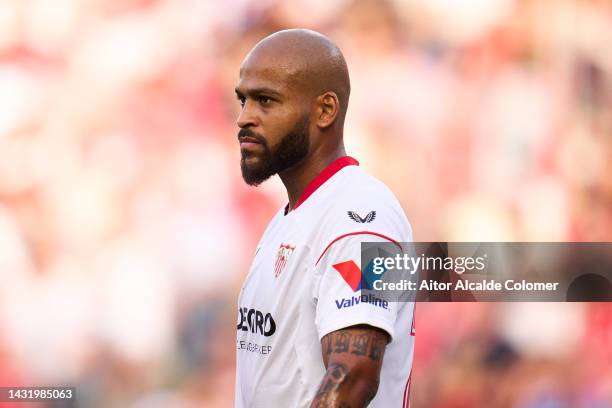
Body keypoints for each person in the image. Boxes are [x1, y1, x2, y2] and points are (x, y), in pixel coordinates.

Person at [234, 28, 415, 407]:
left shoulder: (363, 218)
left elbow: (354, 376)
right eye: (243, 100)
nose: (244, 118)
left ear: (325, 110)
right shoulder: (290, 218)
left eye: (266, 100)